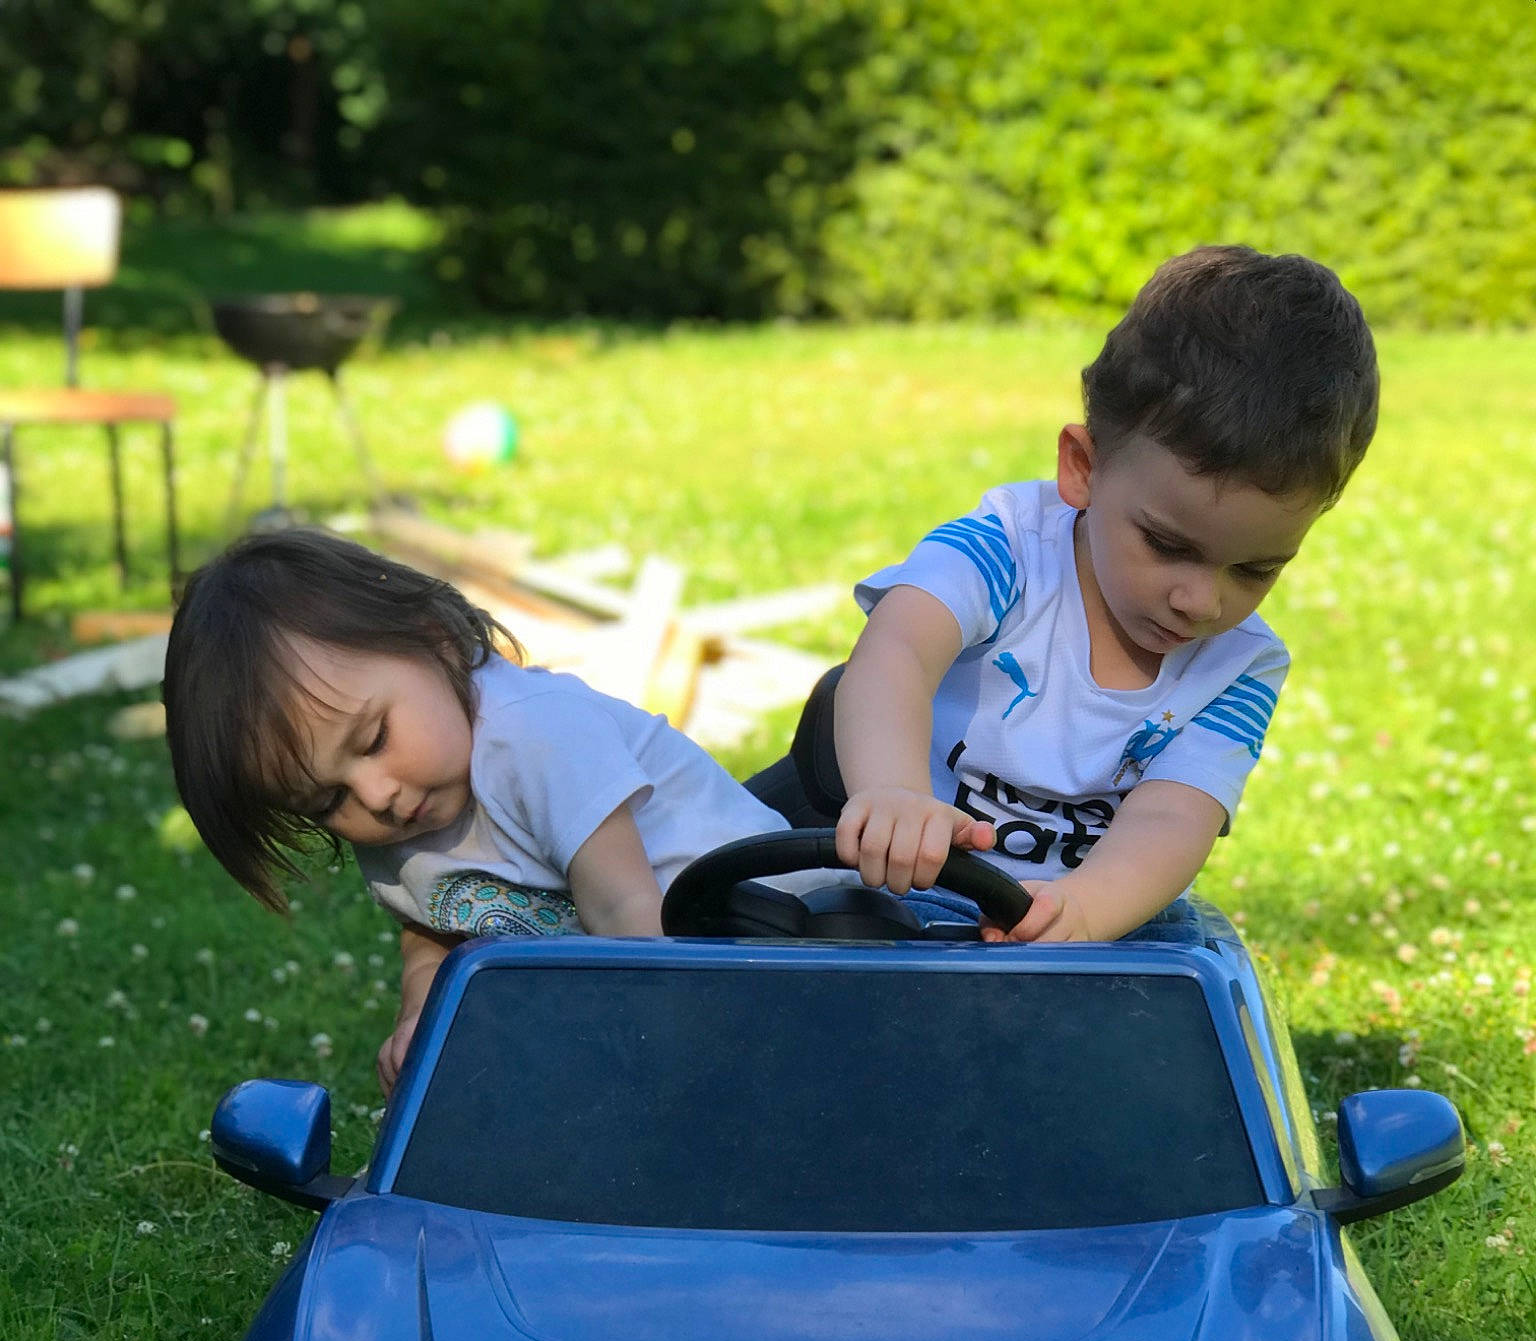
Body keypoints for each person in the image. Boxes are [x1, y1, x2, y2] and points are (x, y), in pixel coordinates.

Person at [831, 244, 1380, 941]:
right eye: (1169, 546)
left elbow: (1172, 818)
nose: (1201, 602)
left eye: (1255, 570)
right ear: (1084, 467)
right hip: (904, 884)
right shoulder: (1008, 552)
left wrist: (1084, 914)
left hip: (1088, 917)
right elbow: (896, 652)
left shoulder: (1238, 665)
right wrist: (897, 797)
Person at [162, 527, 784, 1089]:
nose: (377, 797)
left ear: (434, 640)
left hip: (781, 933)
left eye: (375, 739)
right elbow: (434, 927)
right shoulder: (402, 815)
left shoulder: (532, 738)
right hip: (674, 970)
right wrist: (419, 1019)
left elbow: (624, 908)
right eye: (328, 801)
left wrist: (645, 1078)